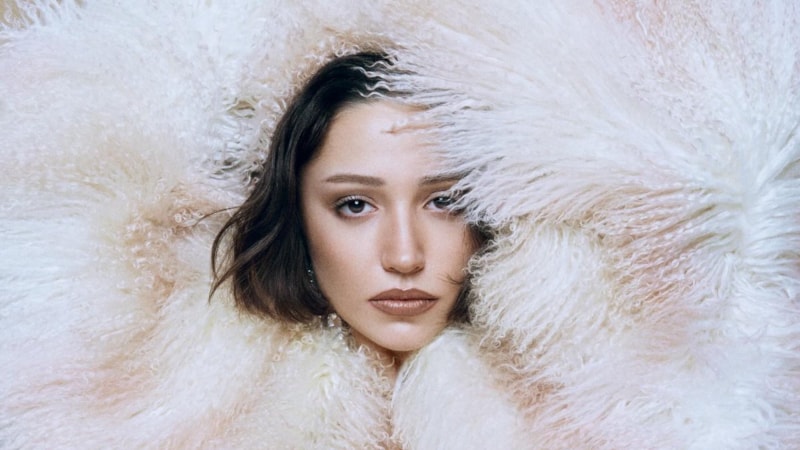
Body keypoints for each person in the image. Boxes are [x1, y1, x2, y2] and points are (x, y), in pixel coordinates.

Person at [210, 51, 485, 379]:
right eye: (356, 205)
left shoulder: (538, 400)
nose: (404, 258)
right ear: (297, 219)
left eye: (444, 202)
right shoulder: (218, 397)